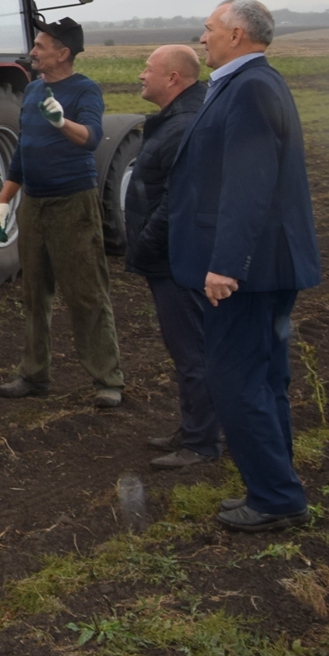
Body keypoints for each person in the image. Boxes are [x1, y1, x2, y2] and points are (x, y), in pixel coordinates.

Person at [168, 0, 321, 534]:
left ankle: (276, 497)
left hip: (252, 271)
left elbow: (249, 184)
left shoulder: (252, 87)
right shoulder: (252, 83)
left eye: (209, 29)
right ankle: (276, 485)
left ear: (236, 34)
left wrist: (226, 264)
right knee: (265, 378)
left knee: (236, 380)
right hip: (270, 265)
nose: (202, 37)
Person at [0, 16, 124, 408]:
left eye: (41, 46)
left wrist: (62, 122)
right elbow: (23, 152)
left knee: (86, 293)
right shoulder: (32, 91)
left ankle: (108, 379)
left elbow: (91, 138)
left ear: (63, 53)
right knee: (34, 294)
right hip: (33, 203)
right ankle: (34, 375)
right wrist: (3, 201)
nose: (33, 51)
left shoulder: (85, 90)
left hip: (73, 204)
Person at [123, 45, 215, 469]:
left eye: (148, 68)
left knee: (193, 350)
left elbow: (175, 202)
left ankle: (201, 442)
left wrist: (144, 246)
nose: (142, 75)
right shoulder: (179, 120)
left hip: (176, 259)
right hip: (172, 257)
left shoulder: (182, 127)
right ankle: (194, 428)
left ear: (174, 78)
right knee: (188, 350)